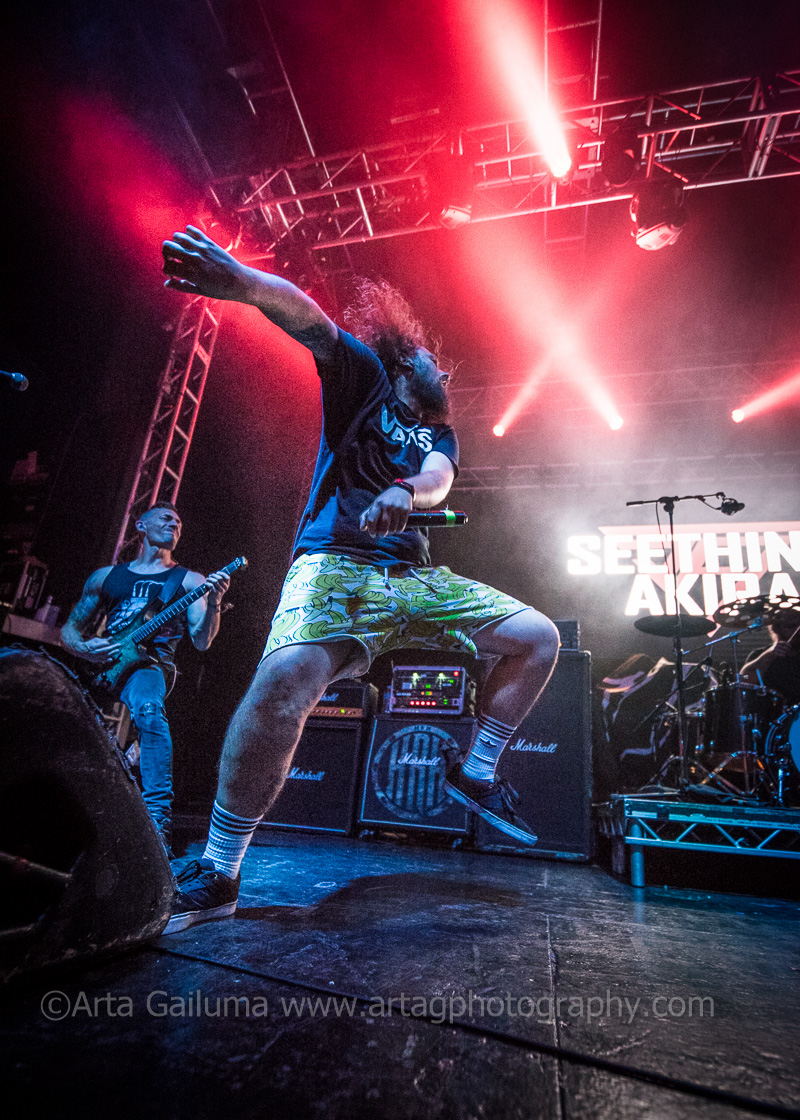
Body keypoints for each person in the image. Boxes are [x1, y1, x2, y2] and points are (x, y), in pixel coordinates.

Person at [161, 224, 560, 933]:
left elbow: (437, 480)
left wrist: (408, 491)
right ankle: (219, 871)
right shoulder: (366, 380)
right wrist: (242, 283)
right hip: (336, 565)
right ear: (406, 357)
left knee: (539, 637)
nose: (447, 374)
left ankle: (475, 771)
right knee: (283, 685)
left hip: (409, 576)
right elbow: (310, 320)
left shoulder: (440, 432)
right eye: (437, 359)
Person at [60, 501, 231, 851]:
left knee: (150, 712)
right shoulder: (107, 577)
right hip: (104, 663)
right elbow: (69, 630)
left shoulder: (189, 580)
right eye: (166, 518)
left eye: (179, 522)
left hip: (151, 665)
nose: (174, 524)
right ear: (141, 525)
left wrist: (213, 603)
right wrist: (86, 648)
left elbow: (202, 641)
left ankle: (157, 820)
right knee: (68, 719)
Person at [741, 609, 800, 706]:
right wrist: (770, 654)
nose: (797, 631)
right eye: (791, 626)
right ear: (777, 629)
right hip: (770, 711)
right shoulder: (760, 654)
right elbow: (744, 679)